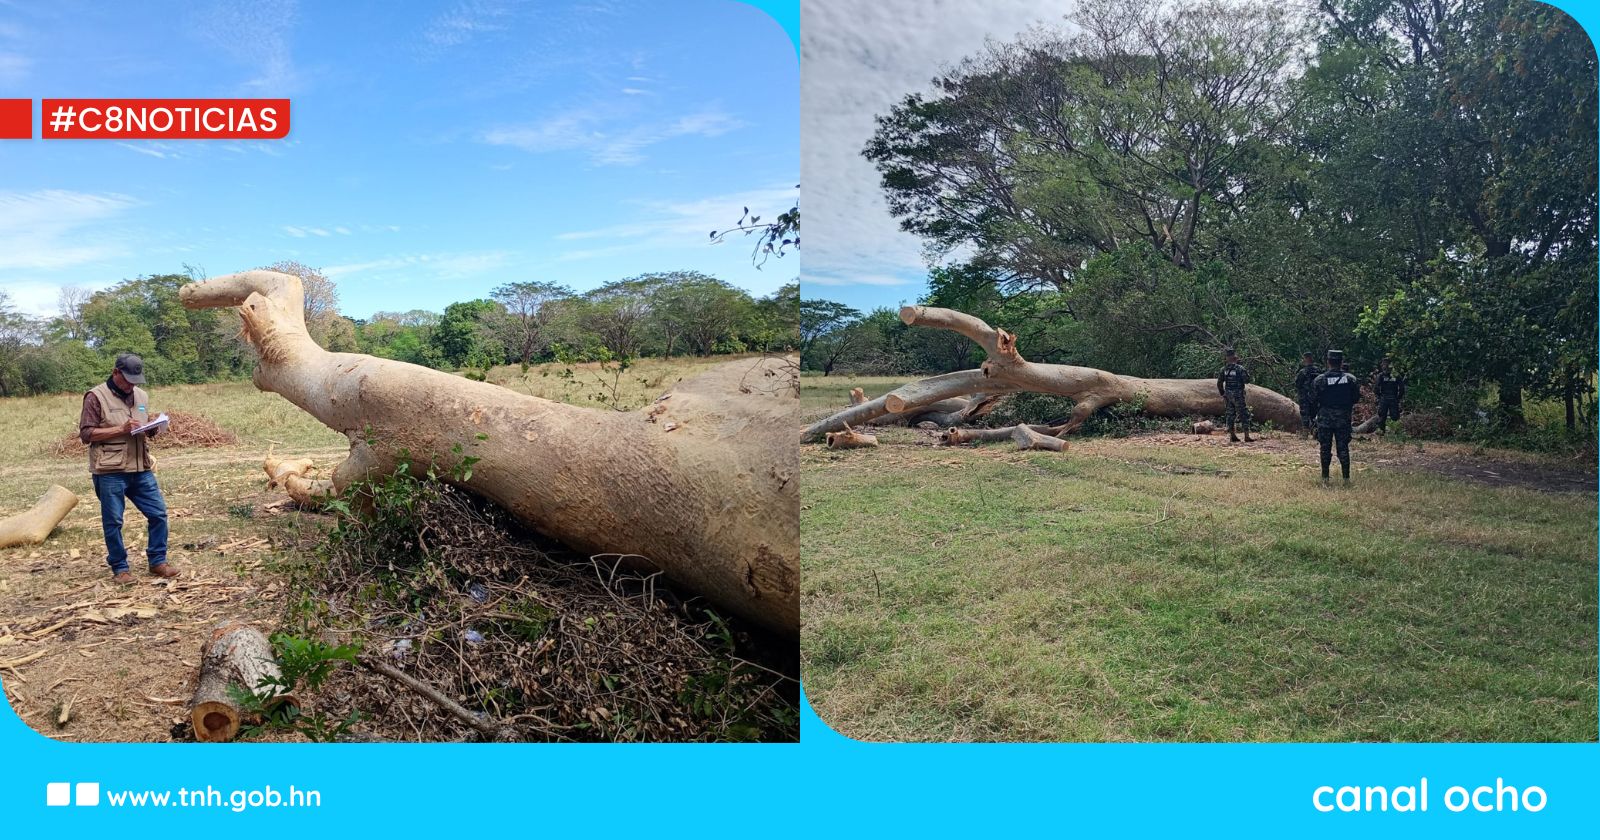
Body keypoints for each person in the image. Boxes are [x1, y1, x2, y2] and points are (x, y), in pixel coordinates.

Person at [79, 353, 180, 583]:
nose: (132, 385)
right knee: (113, 521)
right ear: (115, 373)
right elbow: (86, 434)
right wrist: (121, 429)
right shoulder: (96, 397)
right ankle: (120, 568)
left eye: (136, 380)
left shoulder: (141, 395)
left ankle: (157, 561)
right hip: (110, 471)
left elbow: (140, 424)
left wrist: (152, 428)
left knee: (158, 513)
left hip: (140, 467)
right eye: (127, 379)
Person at [1311, 349, 1360, 485]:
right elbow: (1355, 398)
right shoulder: (1350, 379)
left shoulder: (1320, 380)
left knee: (1325, 448)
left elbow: (1313, 400)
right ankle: (1346, 479)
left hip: (1325, 419)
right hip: (1343, 418)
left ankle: (1325, 479)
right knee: (1343, 448)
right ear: (1341, 362)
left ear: (1328, 362)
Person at [1216, 348, 1253, 442]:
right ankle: (1246, 436)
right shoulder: (1239, 368)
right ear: (1234, 357)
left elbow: (1219, 383)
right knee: (1243, 414)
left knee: (1230, 414)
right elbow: (1247, 380)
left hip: (1228, 395)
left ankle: (1232, 435)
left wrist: (1223, 393)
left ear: (1227, 358)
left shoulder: (1224, 369)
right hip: (1238, 395)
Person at [1372, 357, 1406, 434]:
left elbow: (1376, 388)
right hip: (1389, 398)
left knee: (1392, 416)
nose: (1383, 365)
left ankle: (1388, 432)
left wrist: (1380, 396)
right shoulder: (1384, 375)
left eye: (1384, 364)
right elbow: (1376, 388)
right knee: (1383, 416)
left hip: (1388, 398)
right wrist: (1398, 398)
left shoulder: (1392, 375)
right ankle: (1384, 432)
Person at [1293, 352, 1322, 439]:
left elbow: (1297, 384)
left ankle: (1305, 434)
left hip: (1305, 397)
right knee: (1315, 414)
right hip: (1316, 397)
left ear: (1306, 359)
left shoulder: (1303, 372)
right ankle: (1316, 432)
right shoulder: (1318, 370)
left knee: (1305, 414)